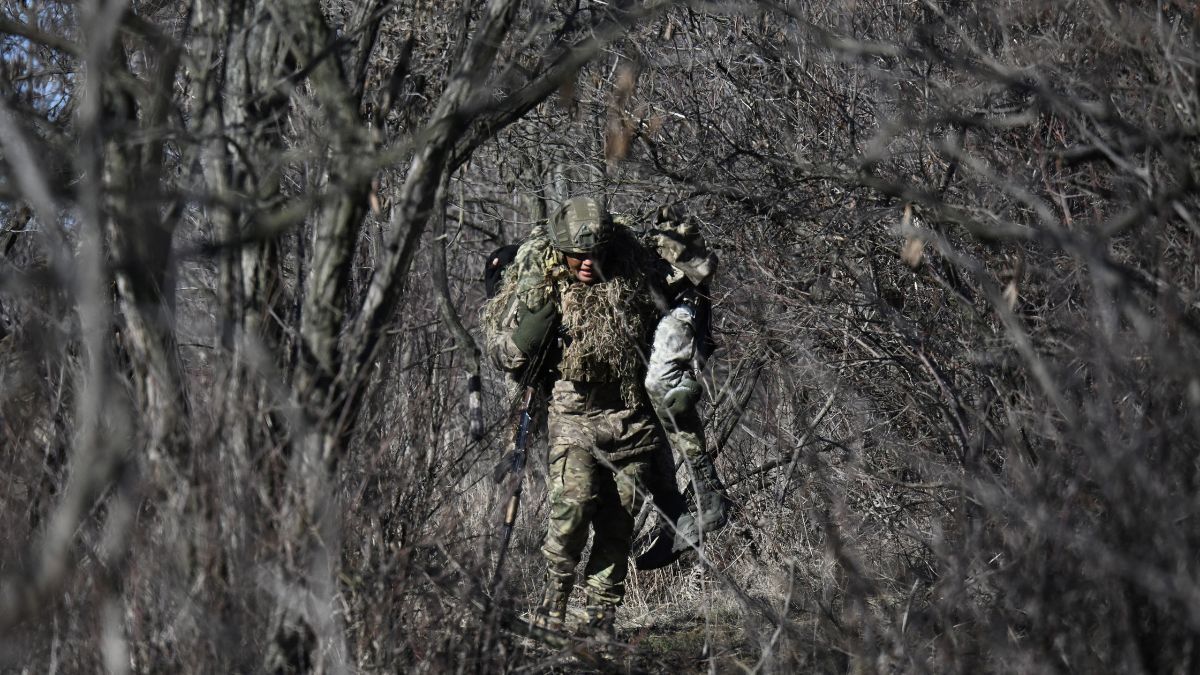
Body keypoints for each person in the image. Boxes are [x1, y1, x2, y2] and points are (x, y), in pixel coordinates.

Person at [483, 196, 665, 636]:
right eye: (578, 256)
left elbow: (673, 321)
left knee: (618, 523)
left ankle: (599, 621)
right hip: (572, 410)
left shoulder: (633, 279)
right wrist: (534, 327)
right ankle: (552, 611)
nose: (587, 264)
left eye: (595, 254)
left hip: (630, 413)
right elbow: (502, 350)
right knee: (571, 512)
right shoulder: (539, 283)